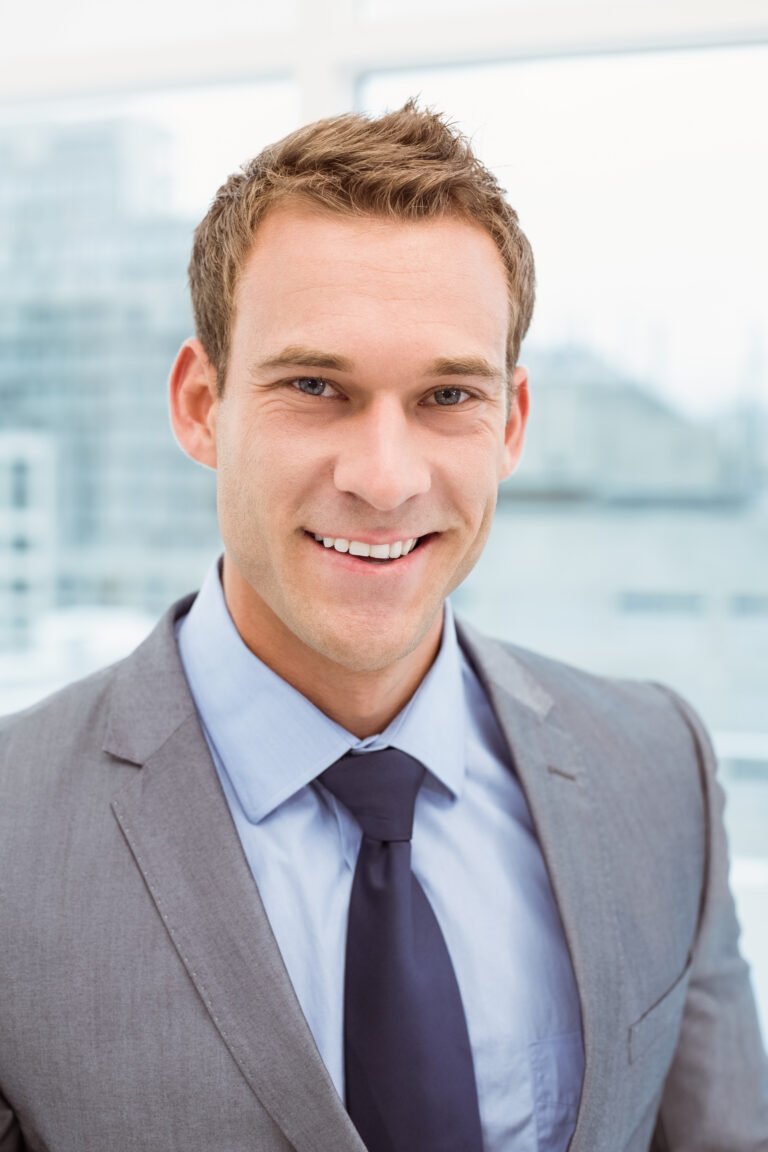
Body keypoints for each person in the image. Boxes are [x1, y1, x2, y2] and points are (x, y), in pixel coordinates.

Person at [0, 100, 766, 1152]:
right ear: (199, 405)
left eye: (448, 395)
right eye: (316, 387)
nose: (384, 478)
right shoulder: (13, 828)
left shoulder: (657, 770)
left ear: (512, 423)